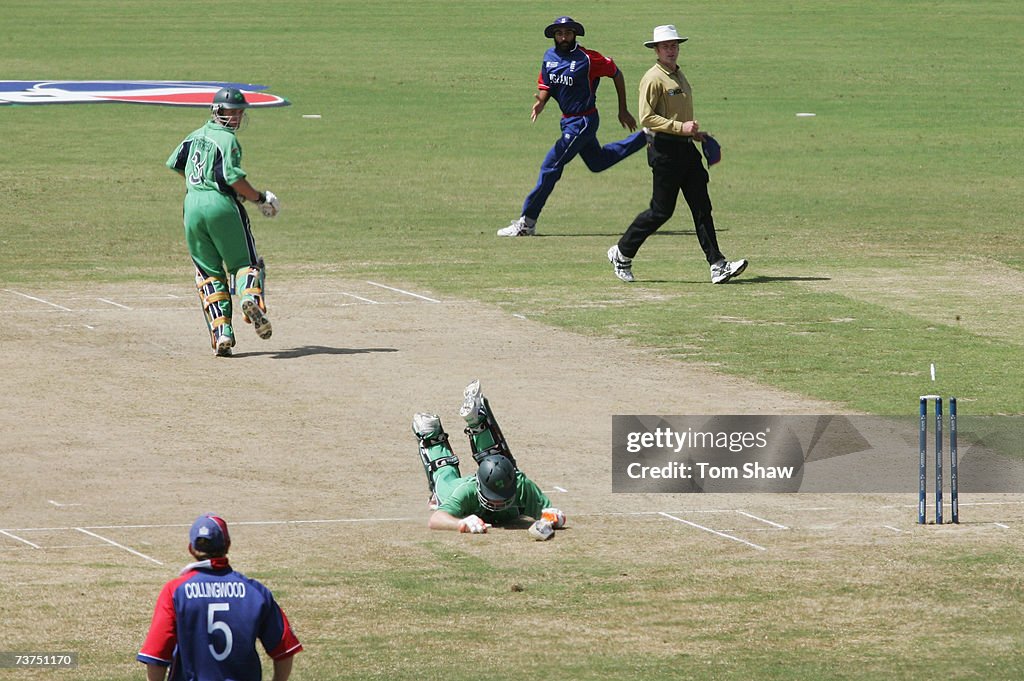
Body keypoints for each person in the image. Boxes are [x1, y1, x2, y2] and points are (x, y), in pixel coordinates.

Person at [607, 25, 748, 284]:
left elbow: (677, 113)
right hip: (664, 151)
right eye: (665, 46)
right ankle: (622, 252)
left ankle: (717, 264)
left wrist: (693, 133)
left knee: (702, 206)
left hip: (686, 149)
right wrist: (679, 127)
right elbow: (646, 118)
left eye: (674, 46)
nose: (671, 50)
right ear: (656, 50)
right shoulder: (653, 78)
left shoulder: (679, 75)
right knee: (661, 211)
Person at [498, 16, 647, 237]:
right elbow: (546, 85)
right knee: (597, 162)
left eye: (568, 33)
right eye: (559, 33)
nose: (564, 37)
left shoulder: (588, 58)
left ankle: (527, 223)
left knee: (551, 166)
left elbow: (616, 72)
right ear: (554, 36)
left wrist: (622, 109)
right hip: (568, 120)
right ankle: (647, 136)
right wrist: (541, 101)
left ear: (575, 34)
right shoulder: (549, 57)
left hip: (583, 121)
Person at [167, 87, 280, 357]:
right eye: (232, 112)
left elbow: (175, 163)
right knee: (245, 264)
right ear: (218, 111)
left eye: (239, 112)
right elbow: (233, 178)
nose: (237, 117)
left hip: (192, 207)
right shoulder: (227, 140)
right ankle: (250, 299)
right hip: (222, 206)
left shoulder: (194, 136)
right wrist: (258, 198)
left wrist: (200, 183)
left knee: (208, 273)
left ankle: (222, 333)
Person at [138, 514, 302, 680]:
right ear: (228, 545)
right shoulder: (256, 592)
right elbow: (285, 649)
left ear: (191, 548)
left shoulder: (175, 591)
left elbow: (156, 656)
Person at [412, 380, 567, 536]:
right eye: (494, 498)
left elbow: (548, 512)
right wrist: (461, 523)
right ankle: (430, 433)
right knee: (444, 477)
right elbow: (436, 519)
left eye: (502, 497)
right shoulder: (466, 492)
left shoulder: (523, 486)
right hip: (455, 488)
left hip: (500, 478)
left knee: (500, 463)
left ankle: (477, 419)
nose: (498, 503)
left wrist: (554, 518)